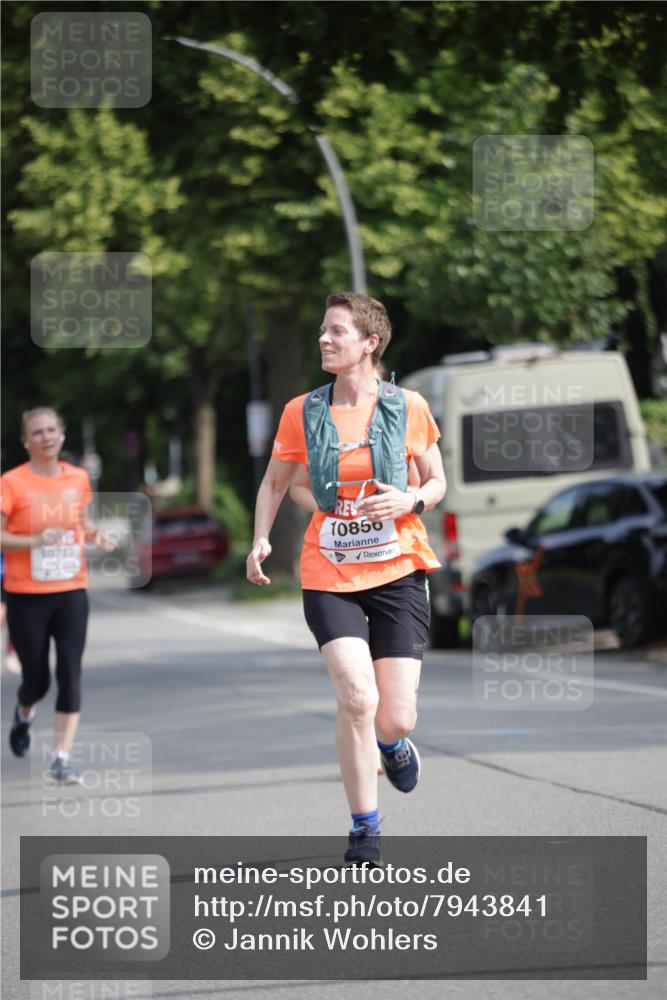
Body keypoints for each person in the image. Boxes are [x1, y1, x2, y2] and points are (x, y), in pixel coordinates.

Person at [246, 292, 446, 864]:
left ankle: (392, 742)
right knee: (356, 696)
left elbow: (436, 481)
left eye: (337, 331)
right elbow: (277, 483)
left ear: (369, 343)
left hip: (398, 567)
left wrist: (409, 500)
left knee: (396, 715)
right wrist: (260, 540)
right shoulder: (302, 411)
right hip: (329, 570)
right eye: (323, 329)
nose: (324, 338)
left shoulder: (407, 406)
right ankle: (365, 828)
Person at [1, 407, 116, 783]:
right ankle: (23, 713)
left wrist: (96, 535)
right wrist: (33, 541)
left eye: (52, 430)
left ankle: (60, 758)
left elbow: (81, 524)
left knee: (70, 672)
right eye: (37, 432)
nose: (46, 437)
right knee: (37, 681)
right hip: (26, 595)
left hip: (71, 591)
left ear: (62, 435)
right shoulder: (11, 483)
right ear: (25, 441)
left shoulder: (78, 478)